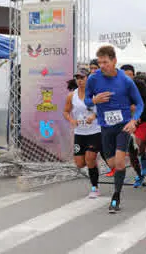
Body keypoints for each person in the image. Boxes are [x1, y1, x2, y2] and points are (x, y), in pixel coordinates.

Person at [84, 46, 144, 213]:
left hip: (123, 125)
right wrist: (94, 100)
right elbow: (87, 101)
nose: (102, 65)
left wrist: (133, 121)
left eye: (105, 62)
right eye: (100, 62)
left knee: (119, 162)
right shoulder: (93, 79)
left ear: (114, 61)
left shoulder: (125, 81)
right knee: (112, 164)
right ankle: (128, 152)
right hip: (105, 127)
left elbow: (139, 104)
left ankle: (116, 197)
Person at [63, 68, 102, 198]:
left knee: (90, 158)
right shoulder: (71, 95)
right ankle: (94, 167)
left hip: (95, 132)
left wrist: (94, 116)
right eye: (77, 78)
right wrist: (71, 120)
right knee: (80, 163)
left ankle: (94, 188)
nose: (79, 80)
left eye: (82, 78)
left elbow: (104, 109)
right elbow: (66, 111)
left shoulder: (95, 94)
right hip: (80, 133)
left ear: (88, 79)